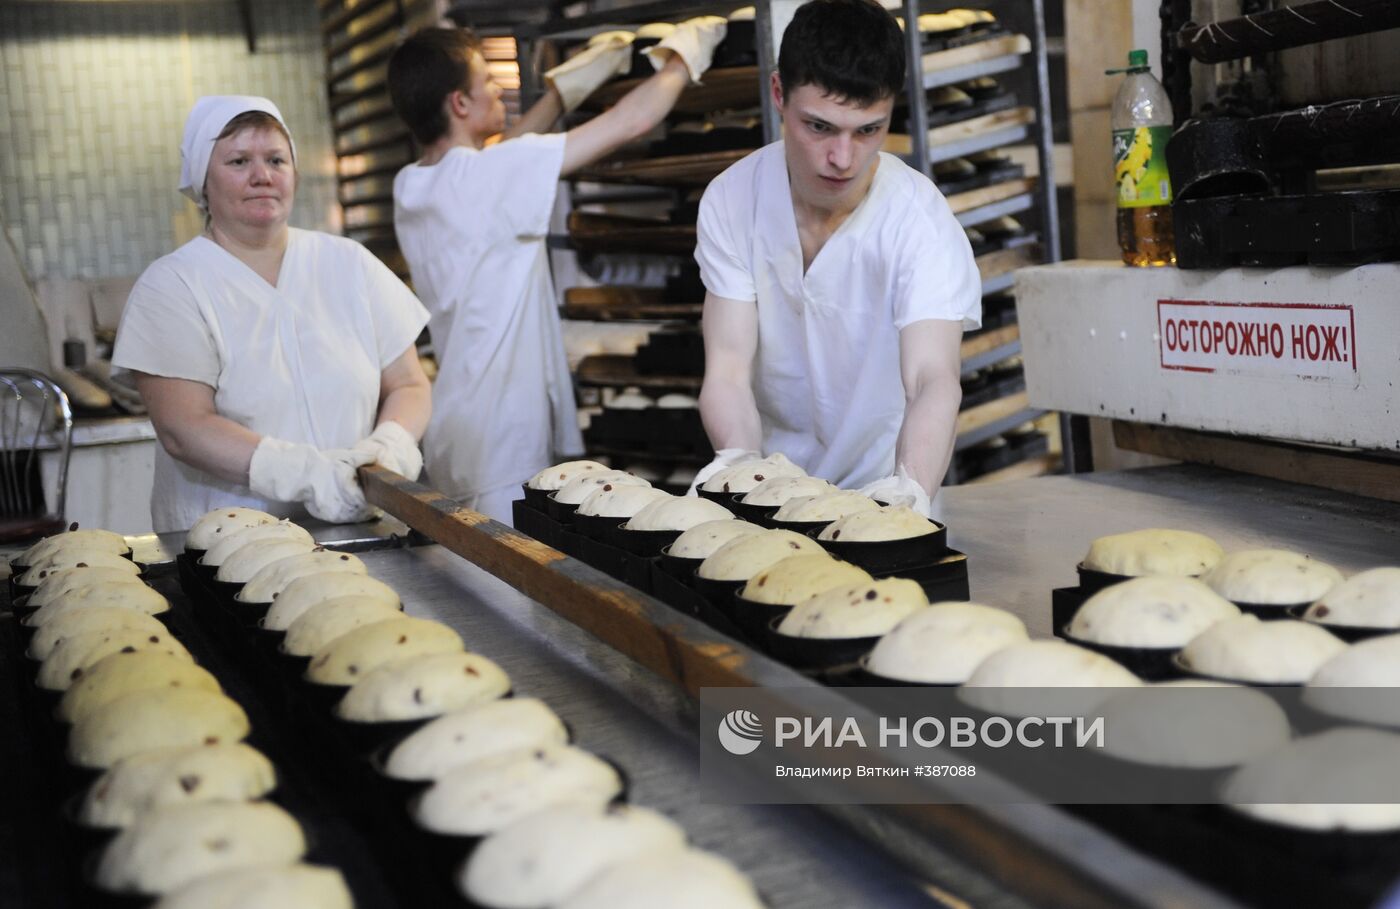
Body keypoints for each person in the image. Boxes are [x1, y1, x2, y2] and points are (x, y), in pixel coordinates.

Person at [386, 20, 727, 524]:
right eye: (487, 80)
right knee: (510, 587)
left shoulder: (412, 186)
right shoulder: (490, 176)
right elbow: (631, 121)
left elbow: (503, 163)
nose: (499, 86)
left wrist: (563, 93)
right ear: (460, 103)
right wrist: (684, 57)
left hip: (455, 426)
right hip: (504, 440)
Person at [692, 0, 980, 516]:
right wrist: (739, 462)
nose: (843, 158)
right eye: (820, 127)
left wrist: (909, 492)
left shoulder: (918, 221)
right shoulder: (733, 199)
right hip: (768, 490)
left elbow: (932, 380)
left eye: (868, 130)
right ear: (779, 94)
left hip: (881, 492)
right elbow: (729, 369)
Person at [113, 96, 432, 533]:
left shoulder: (348, 264)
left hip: (359, 528)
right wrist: (307, 475)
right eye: (239, 161)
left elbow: (409, 383)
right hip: (227, 547)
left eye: (276, 160)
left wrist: (390, 446)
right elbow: (184, 428)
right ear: (202, 180)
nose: (262, 176)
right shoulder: (173, 286)